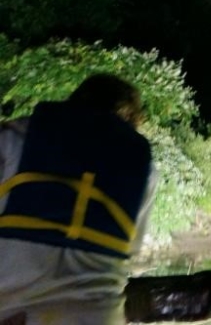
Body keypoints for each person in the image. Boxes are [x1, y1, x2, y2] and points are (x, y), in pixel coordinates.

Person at [0, 74, 158, 325]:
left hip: (15, 312)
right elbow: (131, 248)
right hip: (96, 315)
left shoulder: (15, 136)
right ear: (130, 120)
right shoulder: (144, 168)